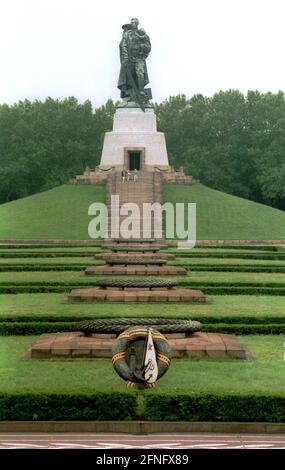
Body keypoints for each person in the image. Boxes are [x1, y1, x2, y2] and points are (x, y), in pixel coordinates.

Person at [117, 18, 152, 106]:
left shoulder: (142, 34)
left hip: (139, 58)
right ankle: (129, 94)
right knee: (129, 77)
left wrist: (142, 48)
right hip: (129, 59)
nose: (133, 24)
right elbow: (123, 45)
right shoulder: (127, 34)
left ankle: (141, 92)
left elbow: (148, 46)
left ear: (138, 23)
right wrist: (125, 58)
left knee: (140, 74)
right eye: (132, 22)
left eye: (135, 22)